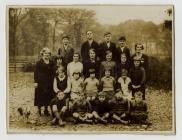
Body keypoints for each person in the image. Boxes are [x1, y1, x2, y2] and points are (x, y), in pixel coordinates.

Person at [34, 48, 54, 116]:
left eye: (48, 54)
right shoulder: (39, 62)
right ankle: (39, 110)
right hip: (40, 82)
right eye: (45, 53)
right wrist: (36, 82)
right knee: (40, 96)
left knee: (47, 96)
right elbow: (36, 73)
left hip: (49, 82)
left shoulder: (51, 62)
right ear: (42, 54)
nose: (47, 55)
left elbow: (52, 72)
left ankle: (46, 109)